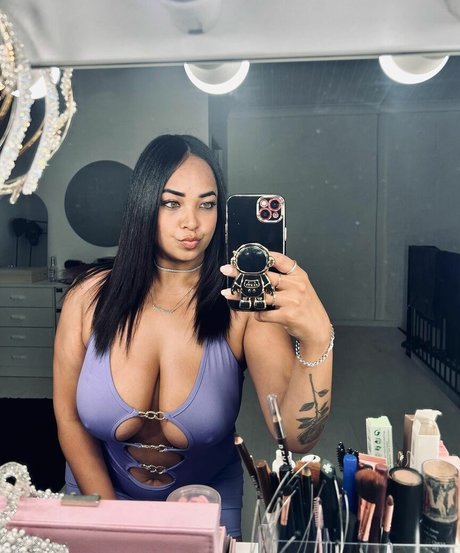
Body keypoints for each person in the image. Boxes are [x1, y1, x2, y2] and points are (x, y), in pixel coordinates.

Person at [53, 134, 333, 539]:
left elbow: (294, 437)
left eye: (207, 204)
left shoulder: (242, 308)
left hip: (205, 504)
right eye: (172, 203)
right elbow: (69, 418)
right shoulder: (87, 297)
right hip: (97, 495)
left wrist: (317, 338)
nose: (192, 222)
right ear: (144, 204)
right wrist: (112, 520)